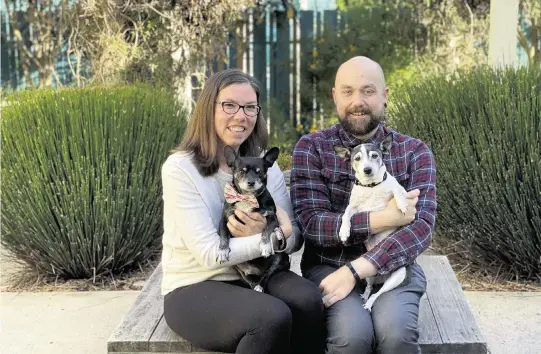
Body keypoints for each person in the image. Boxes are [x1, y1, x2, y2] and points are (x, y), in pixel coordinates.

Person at [160, 68, 325, 354]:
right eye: (229, 105)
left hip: (261, 272)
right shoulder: (181, 169)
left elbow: (293, 236)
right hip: (197, 284)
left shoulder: (262, 168)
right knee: (270, 318)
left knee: (308, 299)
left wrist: (278, 235)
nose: (241, 116)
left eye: (250, 107)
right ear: (207, 109)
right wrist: (269, 238)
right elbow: (211, 254)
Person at [290, 56, 437, 354]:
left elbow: (421, 228)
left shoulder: (414, 151)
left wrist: (356, 270)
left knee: (396, 337)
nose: (357, 101)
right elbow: (313, 224)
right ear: (335, 96)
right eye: (348, 91)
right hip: (328, 266)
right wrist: (385, 218)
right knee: (352, 338)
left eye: (368, 91)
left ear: (385, 95)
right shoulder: (312, 147)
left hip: (394, 265)